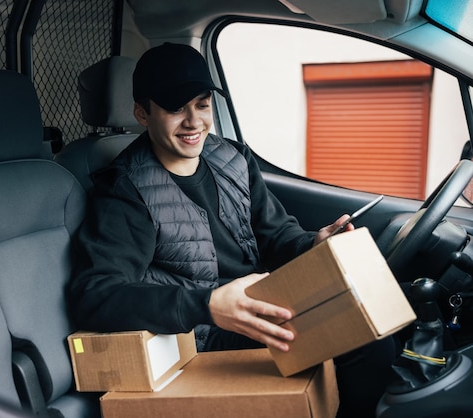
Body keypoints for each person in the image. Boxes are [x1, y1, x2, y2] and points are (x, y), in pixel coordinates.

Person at [69, 43, 396, 418]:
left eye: (202, 104)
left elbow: (275, 234)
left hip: (257, 302)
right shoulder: (125, 189)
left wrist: (313, 243)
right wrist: (207, 305)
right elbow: (94, 294)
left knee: (374, 310)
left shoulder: (232, 158)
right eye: (176, 108)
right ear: (142, 113)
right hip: (202, 333)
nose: (194, 122)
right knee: (362, 342)